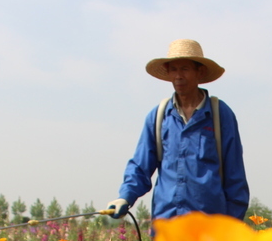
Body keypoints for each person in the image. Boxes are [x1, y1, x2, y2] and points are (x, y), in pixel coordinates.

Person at [106, 39, 250, 222]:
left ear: (200, 72)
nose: (178, 76)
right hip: (167, 222)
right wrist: (125, 197)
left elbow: (235, 176)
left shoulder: (220, 114)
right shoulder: (159, 116)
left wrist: (231, 225)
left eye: (185, 69)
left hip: (208, 225)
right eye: (173, 70)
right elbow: (141, 166)